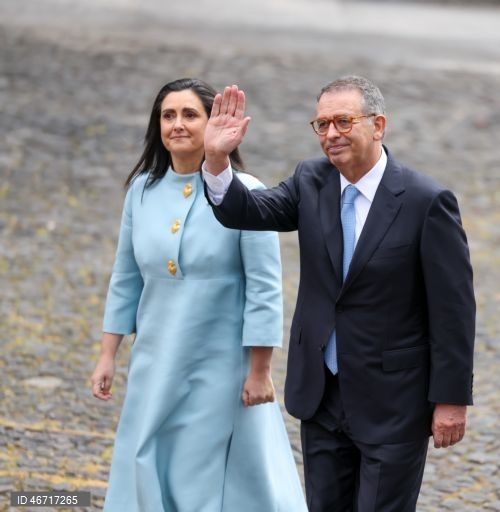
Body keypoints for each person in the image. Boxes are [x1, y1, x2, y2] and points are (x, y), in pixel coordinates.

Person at [200, 75, 475, 511]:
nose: (331, 134)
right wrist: (216, 159)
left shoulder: (427, 201)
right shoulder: (312, 180)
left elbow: (454, 310)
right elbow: (246, 210)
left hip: (394, 401)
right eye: (322, 124)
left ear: (378, 125)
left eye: (343, 122)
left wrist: (452, 399)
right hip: (322, 393)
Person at [89, 78, 307, 512]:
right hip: (156, 356)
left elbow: (264, 287)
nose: (177, 124)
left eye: (190, 115)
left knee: (203, 466)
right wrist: (108, 354)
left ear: (212, 124)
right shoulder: (142, 191)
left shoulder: (248, 191)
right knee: (148, 452)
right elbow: (126, 275)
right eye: (168, 115)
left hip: (222, 364)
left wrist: (260, 370)